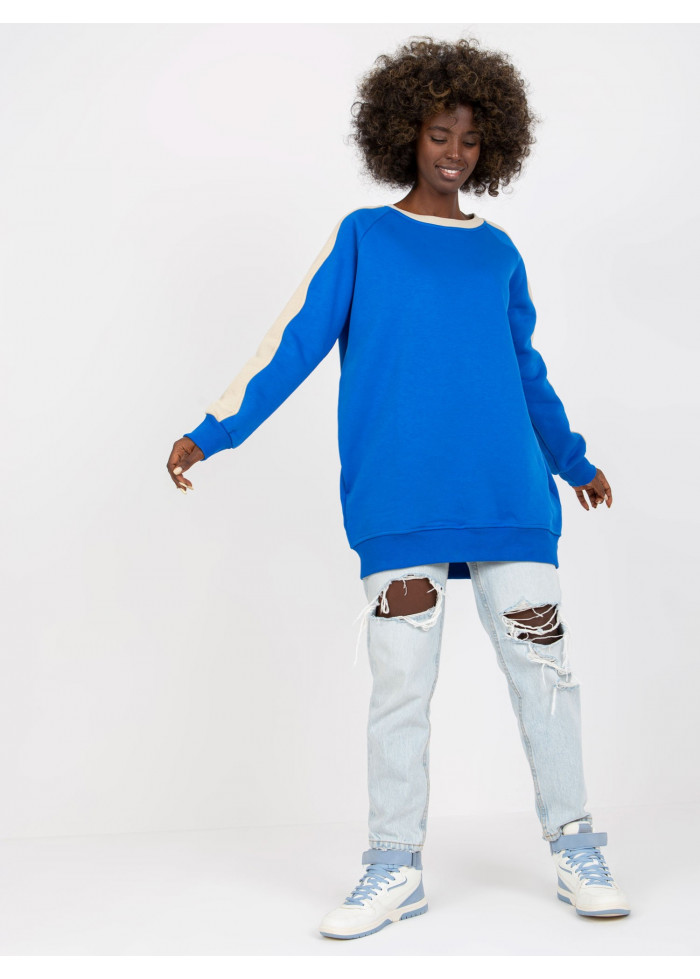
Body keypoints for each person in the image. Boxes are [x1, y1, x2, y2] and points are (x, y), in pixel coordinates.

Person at [166, 35, 630, 940]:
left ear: (493, 144)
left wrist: (574, 461)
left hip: (509, 498)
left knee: (545, 675)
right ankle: (393, 866)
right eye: (438, 134)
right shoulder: (364, 237)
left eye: (471, 138)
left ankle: (576, 844)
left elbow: (527, 373)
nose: (455, 153)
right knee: (400, 690)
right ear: (403, 134)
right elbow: (292, 345)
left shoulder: (499, 254)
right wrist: (213, 431)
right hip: (401, 502)